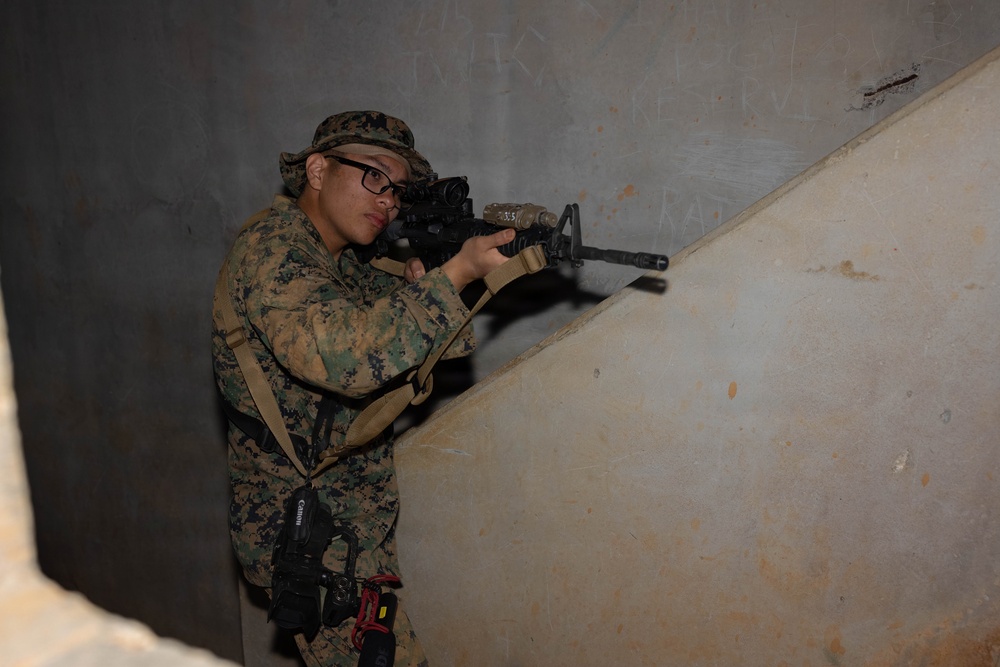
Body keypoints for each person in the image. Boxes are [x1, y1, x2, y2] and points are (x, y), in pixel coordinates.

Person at [211, 110, 513, 666]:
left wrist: (441, 272)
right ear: (319, 170)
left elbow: (440, 347)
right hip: (306, 538)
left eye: (398, 189)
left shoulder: (348, 262)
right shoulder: (273, 251)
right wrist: (456, 277)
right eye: (375, 176)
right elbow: (345, 358)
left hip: (350, 526)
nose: (389, 200)